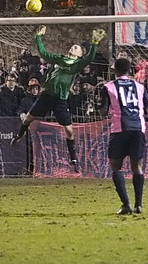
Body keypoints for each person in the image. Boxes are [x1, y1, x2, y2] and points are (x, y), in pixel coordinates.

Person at [11, 25, 106, 172]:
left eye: (77, 48)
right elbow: (43, 53)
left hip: (60, 100)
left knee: (69, 131)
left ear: (79, 55)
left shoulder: (77, 65)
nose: (73, 48)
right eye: (73, 46)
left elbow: (89, 60)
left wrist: (94, 44)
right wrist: (38, 37)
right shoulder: (58, 59)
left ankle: (73, 159)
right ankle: (19, 135)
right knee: (28, 119)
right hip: (46, 96)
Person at [99, 58, 148, 214]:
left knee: (115, 167)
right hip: (138, 129)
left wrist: (101, 105)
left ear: (115, 70)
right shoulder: (139, 86)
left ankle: (126, 204)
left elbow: (103, 111)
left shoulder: (108, 87)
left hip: (119, 130)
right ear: (129, 70)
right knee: (137, 167)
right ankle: (139, 205)